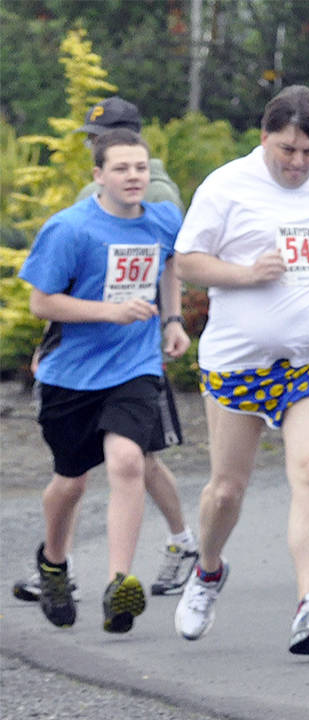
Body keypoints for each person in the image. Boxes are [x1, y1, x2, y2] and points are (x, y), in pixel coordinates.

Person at [171, 85, 309, 654]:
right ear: (265, 137)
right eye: (287, 150)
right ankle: (208, 570)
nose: (297, 163)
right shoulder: (228, 185)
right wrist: (244, 274)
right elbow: (186, 260)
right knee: (226, 492)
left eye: (308, 151)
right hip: (238, 361)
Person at [15, 106, 201, 606]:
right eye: (121, 169)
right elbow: (41, 302)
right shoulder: (70, 228)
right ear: (98, 175)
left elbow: (170, 265)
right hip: (71, 373)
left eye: (139, 167)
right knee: (69, 484)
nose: (133, 176)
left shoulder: (163, 217)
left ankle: (120, 583)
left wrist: (172, 319)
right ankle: (53, 562)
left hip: (134, 366)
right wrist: (108, 311)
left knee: (127, 461)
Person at [74, 97, 183, 209]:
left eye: (106, 142)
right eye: (93, 142)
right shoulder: (90, 194)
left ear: (133, 140)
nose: (96, 150)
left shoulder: (160, 195)